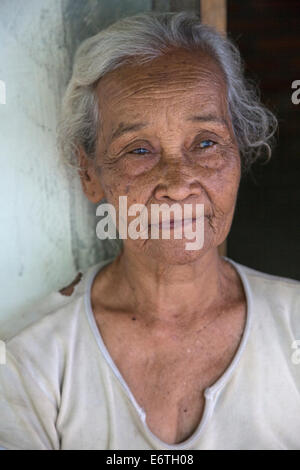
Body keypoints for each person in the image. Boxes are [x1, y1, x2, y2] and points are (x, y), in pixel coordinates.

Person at [0, 11, 299, 450]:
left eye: (206, 142)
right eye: (139, 150)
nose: (178, 184)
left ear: (239, 151)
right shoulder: (28, 359)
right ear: (90, 174)